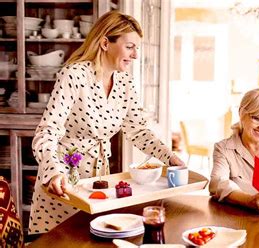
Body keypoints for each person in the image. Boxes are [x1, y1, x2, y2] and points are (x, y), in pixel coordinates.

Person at [29, 11, 184, 234]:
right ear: (104, 43)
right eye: (130, 47)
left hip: (99, 184)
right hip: (63, 183)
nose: (135, 55)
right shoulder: (74, 75)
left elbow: (139, 130)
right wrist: (54, 172)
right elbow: (47, 132)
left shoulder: (125, 82)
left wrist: (169, 157)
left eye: (137, 48)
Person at [209, 88, 259, 213]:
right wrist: (250, 200)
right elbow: (216, 184)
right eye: (257, 119)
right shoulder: (224, 149)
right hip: (239, 220)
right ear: (241, 113)